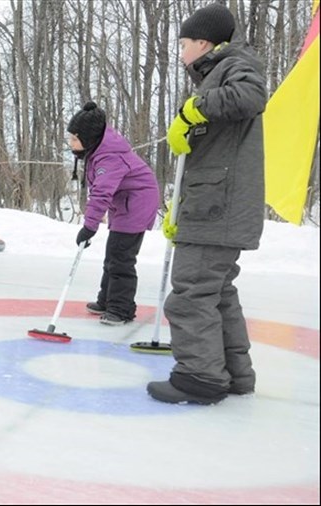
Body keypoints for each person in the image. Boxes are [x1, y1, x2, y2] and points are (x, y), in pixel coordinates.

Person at [147, 3, 267, 405]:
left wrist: (194, 109)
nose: (181, 54)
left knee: (191, 293)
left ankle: (199, 376)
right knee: (217, 292)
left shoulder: (234, 65)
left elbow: (250, 95)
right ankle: (234, 374)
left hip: (218, 205)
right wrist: (179, 210)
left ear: (203, 43)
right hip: (212, 203)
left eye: (183, 45)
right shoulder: (220, 70)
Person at [67, 102, 160, 326]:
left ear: (88, 138)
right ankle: (107, 300)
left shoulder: (109, 158)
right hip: (126, 203)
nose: (70, 143)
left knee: (121, 258)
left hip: (137, 204)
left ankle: (121, 309)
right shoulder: (98, 150)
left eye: (74, 139)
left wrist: (89, 227)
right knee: (113, 254)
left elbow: (101, 193)